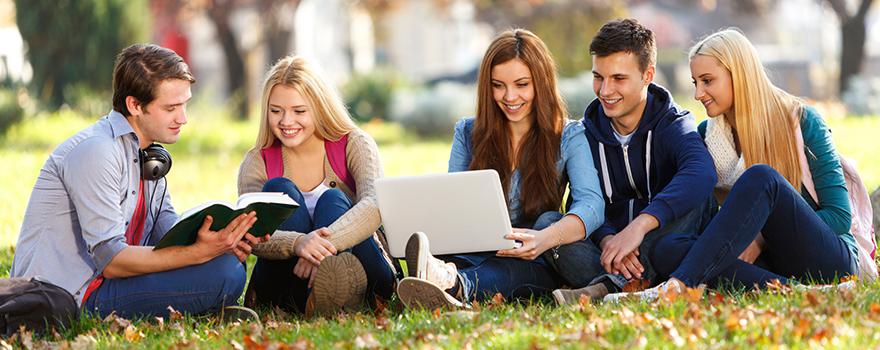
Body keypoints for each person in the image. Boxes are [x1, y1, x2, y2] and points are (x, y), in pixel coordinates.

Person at [604, 29, 858, 301]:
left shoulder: (802, 121)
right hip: (771, 264)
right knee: (668, 249)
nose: (698, 93)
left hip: (828, 259)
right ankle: (800, 293)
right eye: (695, 82)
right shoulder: (706, 135)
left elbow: (841, 218)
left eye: (708, 81)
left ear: (739, 76)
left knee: (761, 178)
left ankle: (676, 288)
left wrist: (760, 238)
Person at [11, 44, 262, 319]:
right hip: (72, 295)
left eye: (185, 104)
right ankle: (204, 306)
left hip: (108, 282)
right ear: (135, 105)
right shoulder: (97, 152)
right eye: (171, 108)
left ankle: (203, 305)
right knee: (224, 274)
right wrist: (198, 255)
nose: (183, 118)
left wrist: (220, 241)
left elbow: (167, 235)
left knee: (225, 265)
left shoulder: (150, 157)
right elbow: (112, 261)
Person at [395, 28, 605, 309]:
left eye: (522, 84)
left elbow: (592, 205)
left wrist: (543, 239)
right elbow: (452, 200)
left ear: (540, 84)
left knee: (522, 254)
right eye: (498, 85)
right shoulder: (468, 132)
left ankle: (452, 285)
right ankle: (439, 279)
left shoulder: (568, 136)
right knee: (469, 258)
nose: (509, 96)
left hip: (532, 256)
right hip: (476, 249)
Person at [550, 19, 717, 304]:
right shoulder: (584, 135)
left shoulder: (672, 123)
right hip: (608, 255)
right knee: (548, 224)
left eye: (618, 78)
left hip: (664, 244)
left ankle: (607, 287)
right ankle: (627, 284)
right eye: (598, 77)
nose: (604, 90)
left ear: (647, 75)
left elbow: (702, 173)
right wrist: (609, 240)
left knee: (695, 198)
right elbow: (582, 201)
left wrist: (639, 228)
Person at [237, 55, 396, 317]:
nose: (286, 122)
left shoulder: (355, 144)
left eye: (299, 111)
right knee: (280, 189)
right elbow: (250, 232)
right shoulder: (258, 161)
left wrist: (320, 249)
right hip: (288, 280)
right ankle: (316, 300)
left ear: (320, 106)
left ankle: (337, 290)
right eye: (276, 111)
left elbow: (373, 206)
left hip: (364, 269)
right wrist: (299, 243)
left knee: (333, 200)